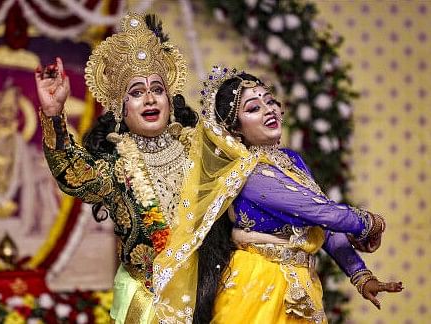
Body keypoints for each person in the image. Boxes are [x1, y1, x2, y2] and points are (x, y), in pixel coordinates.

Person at [151, 67, 403, 324]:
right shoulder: (250, 173)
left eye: (269, 100)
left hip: (300, 285)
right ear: (235, 129)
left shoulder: (290, 161)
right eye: (253, 108)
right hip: (259, 286)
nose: (268, 109)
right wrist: (371, 223)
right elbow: (320, 212)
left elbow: (323, 223)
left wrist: (360, 274)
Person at [35, 13, 198, 323]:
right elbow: (73, 174)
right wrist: (54, 115)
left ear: (170, 100)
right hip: (146, 305)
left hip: (206, 297)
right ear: (121, 110)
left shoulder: (200, 154)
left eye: (157, 89)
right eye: (136, 92)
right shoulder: (118, 169)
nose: (150, 98)